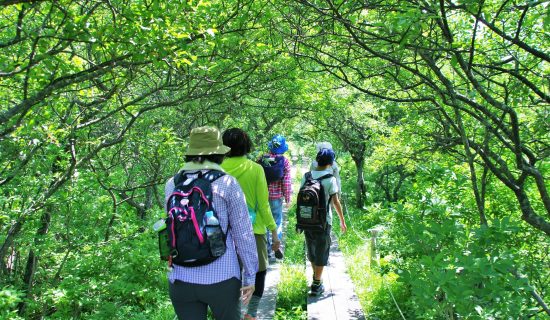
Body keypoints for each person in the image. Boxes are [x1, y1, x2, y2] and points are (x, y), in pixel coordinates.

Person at [164, 126, 258, 320]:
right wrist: (250, 276)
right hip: (221, 279)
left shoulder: (172, 184)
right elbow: (244, 234)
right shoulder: (227, 183)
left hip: (181, 279)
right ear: (218, 155)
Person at [221, 128, 281, 320]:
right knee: (259, 271)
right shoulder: (256, 169)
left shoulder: (219, 169)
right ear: (247, 146)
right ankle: (251, 314)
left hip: (223, 233)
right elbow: (263, 205)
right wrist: (274, 232)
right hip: (253, 231)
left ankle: (233, 312)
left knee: (229, 275)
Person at [302, 148, 347, 296]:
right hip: (324, 221)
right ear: (331, 162)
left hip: (307, 220)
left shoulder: (307, 176)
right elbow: (335, 202)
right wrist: (342, 220)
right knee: (322, 250)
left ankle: (316, 277)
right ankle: (316, 283)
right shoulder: (330, 179)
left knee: (312, 249)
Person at [262, 134, 292, 261]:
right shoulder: (284, 161)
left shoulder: (262, 158)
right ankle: (277, 243)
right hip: (276, 197)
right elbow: (286, 181)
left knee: (264, 223)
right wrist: (288, 198)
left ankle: (267, 249)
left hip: (263, 196)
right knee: (277, 222)